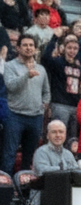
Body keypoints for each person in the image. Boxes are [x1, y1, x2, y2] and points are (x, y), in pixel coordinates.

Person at [2, 34, 50, 175]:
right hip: (14, 115)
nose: (28, 48)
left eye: (31, 45)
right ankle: (6, 190)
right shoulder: (10, 66)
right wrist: (27, 75)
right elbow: (10, 86)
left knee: (29, 157)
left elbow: (46, 91)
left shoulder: (41, 69)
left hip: (35, 117)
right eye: (25, 45)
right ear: (18, 48)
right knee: (9, 155)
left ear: (35, 49)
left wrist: (44, 105)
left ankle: (24, 189)